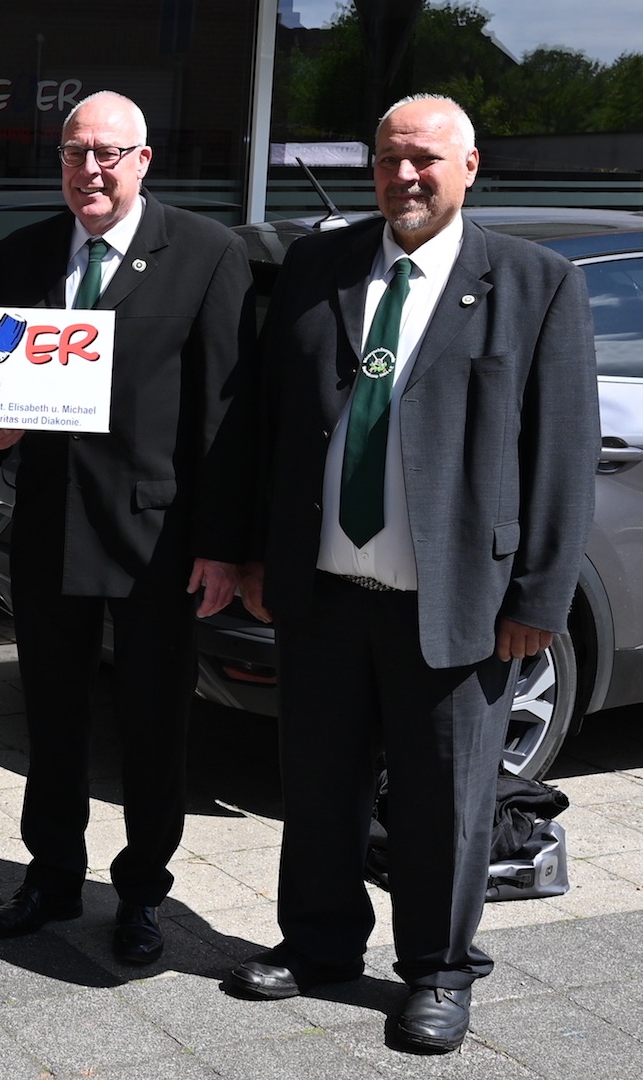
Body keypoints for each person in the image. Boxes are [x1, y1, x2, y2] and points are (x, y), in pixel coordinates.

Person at [226, 95, 597, 1054]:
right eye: (388, 158)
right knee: (317, 787)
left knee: (444, 805)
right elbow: (267, 421)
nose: (404, 176)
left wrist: (538, 600)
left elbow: (559, 455)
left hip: (455, 604)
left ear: (468, 167)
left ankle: (437, 971)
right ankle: (317, 945)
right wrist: (255, 551)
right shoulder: (319, 266)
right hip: (323, 591)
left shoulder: (534, 282)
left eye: (424, 159)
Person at [0, 91, 257, 966]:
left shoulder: (205, 252)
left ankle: (140, 893)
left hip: (156, 542)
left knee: (151, 726)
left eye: (106, 153)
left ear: (142, 160)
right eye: (73, 153)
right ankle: (51, 875)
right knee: (50, 717)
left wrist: (221, 546)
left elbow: (224, 416)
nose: (88, 170)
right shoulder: (23, 252)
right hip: (48, 527)